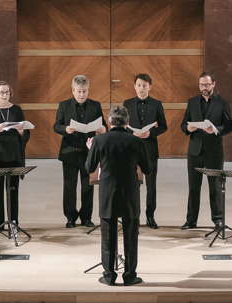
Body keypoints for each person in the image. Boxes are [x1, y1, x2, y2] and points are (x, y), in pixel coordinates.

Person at [86, 105, 150, 286]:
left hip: (108, 194)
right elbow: (148, 169)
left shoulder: (99, 140)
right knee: (131, 236)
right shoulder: (136, 141)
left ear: (109, 121)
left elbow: (89, 168)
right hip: (130, 194)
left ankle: (109, 276)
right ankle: (130, 276)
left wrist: (91, 148)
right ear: (128, 122)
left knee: (108, 236)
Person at [181, 71, 232, 229]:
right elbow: (183, 125)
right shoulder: (192, 102)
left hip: (214, 151)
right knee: (193, 187)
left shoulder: (222, 103)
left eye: (207, 84)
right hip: (195, 151)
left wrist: (216, 129)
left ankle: (218, 220)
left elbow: (229, 126)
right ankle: (191, 220)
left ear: (213, 84)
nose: (204, 87)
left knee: (215, 187)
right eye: (201, 85)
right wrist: (189, 128)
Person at [53, 74, 106, 227]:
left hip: (89, 152)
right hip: (69, 151)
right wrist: (66, 129)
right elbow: (56, 126)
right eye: (79, 91)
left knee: (87, 186)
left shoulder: (95, 105)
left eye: (84, 91)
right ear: (73, 90)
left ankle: (86, 218)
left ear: (88, 90)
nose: (82, 94)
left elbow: (103, 125)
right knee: (69, 186)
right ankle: (70, 217)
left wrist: (102, 129)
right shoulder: (64, 105)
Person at [0, 82, 31, 231]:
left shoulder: (16, 110)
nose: (4, 95)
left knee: (13, 191)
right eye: (2, 92)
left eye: (7, 92)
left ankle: (13, 222)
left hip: (14, 155)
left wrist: (21, 130)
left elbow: (25, 132)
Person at [122, 73, 168, 228]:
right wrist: (132, 133)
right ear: (135, 86)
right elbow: (121, 125)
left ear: (150, 87)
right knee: (132, 185)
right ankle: (133, 216)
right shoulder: (126, 104)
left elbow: (163, 126)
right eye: (139, 85)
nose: (142, 88)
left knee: (151, 185)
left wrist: (151, 133)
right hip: (131, 151)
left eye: (145, 85)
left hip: (150, 149)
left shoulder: (156, 104)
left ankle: (150, 216)